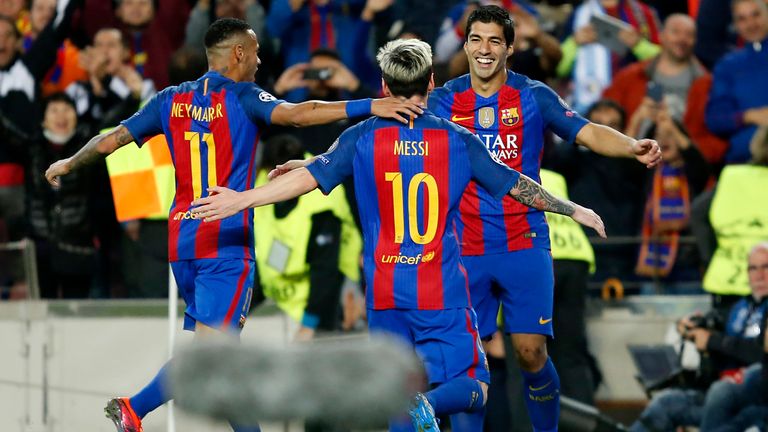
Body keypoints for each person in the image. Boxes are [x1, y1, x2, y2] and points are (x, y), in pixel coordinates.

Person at [190, 38, 606, 432]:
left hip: (386, 293)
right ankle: (430, 404)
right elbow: (517, 185)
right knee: (475, 387)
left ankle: (415, 404)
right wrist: (573, 209)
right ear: (430, 83)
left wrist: (242, 199)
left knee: (397, 390)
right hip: (440, 291)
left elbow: (308, 182)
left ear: (384, 86)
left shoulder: (363, 136)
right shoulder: (458, 140)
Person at [43, 17, 423, 432]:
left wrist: (69, 161)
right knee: (214, 356)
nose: (260, 61)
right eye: (256, 52)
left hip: (182, 241)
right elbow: (299, 114)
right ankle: (135, 407)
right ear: (238, 53)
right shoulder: (243, 96)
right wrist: (369, 105)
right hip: (226, 241)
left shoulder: (169, 99)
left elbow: (109, 140)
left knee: (225, 362)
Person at [427, 6, 661, 431]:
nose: (484, 49)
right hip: (465, 246)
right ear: (465, 45)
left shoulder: (533, 96)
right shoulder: (442, 100)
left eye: (495, 40)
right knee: (465, 360)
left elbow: (586, 130)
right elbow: (388, 129)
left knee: (531, 354)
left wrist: (631, 145)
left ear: (510, 48)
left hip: (524, 241)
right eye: (476, 39)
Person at [629, 242, 768, 432]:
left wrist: (713, 341)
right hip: (716, 392)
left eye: (765, 267)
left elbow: (761, 355)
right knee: (666, 403)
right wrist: (689, 328)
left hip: (753, 399)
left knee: (722, 394)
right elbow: (707, 325)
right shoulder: (736, 307)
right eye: (753, 268)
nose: (759, 275)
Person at [705, 0, 768, 164]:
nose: (751, 23)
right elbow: (715, 119)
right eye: (742, 18)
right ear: (736, 25)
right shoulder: (727, 66)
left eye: (756, 14)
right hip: (746, 160)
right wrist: (749, 116)